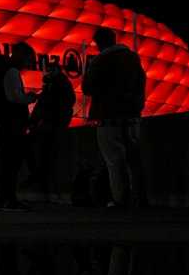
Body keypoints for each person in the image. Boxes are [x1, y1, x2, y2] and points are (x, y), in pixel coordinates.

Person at [81, 27, 148, 209]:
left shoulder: (100, 61)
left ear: (100, 44)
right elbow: (142, 81)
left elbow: (87, 88)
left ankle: (120, 199)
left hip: (109, 116)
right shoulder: (133, 57)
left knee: (114, 160)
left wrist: (89, 68)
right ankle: (140, 197)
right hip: (133, 115)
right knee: (134, 159)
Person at [0, 42, 39, 211]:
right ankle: (10, 200)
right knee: (12, 163)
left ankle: (5, 199)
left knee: (7, 163)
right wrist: (31, 97)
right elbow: (14, 97)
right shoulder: (10, 70)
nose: (29, 63)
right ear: (21, 54)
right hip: (11, 123)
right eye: (28, 58)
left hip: (1, 121)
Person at [23, 61, 76, 192]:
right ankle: (36, 172)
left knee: (43, 143)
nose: (50, 73)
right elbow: (40, 106)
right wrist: (32, 122)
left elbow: (61, 103)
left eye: (53, 70)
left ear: (59, 71)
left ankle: (39, 173)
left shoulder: (62, 85)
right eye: (49, 70)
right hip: (49, 121)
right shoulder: (48, 86)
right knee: (29, 141)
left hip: (56, 121)